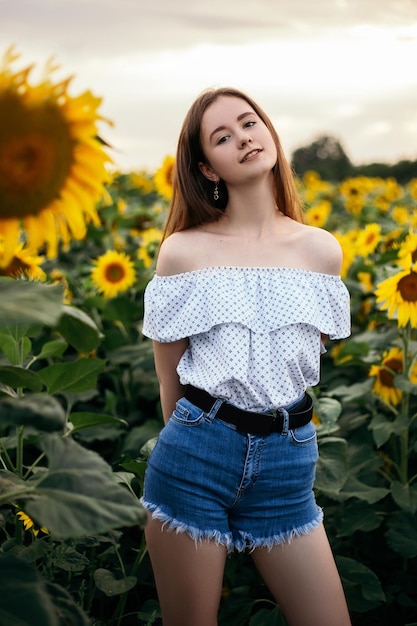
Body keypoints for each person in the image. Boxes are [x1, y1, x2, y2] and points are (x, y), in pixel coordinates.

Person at [141, 87, 352, 626]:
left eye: (249, 123)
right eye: (222, 137)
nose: (243, 139)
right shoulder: (183, 251)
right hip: (197, 453)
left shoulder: (321, 250)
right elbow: (170, 378)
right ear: (207, 168)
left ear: (269, 133)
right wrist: (194, 453)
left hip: (288, 462)